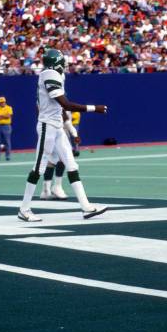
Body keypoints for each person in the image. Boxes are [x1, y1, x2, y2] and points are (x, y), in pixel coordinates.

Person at [18, 48, 108, 222]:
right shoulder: (49, 74)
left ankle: (86, 207)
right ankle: (24, 209)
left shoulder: (55, 75)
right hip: (47, 127)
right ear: (56, 63)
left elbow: (59, 107)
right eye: (62, 62)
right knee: (39, 168)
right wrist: (94, 108)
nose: (64, 65)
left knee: (72, 165)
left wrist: (69, 128)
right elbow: (65, 104)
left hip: (57, 126)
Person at [0, 96, 13, 161]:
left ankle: (8, 156)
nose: (2, 103)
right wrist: (4, 116)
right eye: (1, 102)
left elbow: (8, 116)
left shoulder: (9, 108)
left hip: (6, 126)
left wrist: (1, 116)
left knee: (7, 141)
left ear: (5, 102)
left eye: (3, 102)